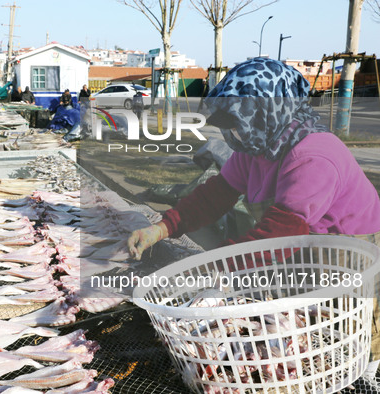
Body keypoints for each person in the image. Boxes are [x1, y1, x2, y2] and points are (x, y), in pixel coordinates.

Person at [126, 57, 380, 380]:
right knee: (299, 327)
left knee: (347, 327)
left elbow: (278, 236)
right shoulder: (257, 148)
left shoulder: (314, 156)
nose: (232, 134)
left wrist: (213, 269)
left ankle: (366, 378)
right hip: (300, 242)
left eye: (236, 123)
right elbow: (214, 195)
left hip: (347, 248)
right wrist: (162, 228)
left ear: (264, 112)